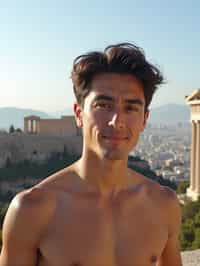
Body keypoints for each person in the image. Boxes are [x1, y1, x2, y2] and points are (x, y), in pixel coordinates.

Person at [0, 43, 182, 266]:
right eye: (103, 105)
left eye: (131, 108)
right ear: (79, 114)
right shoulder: (32, 210)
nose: (117, 121)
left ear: (144, 119)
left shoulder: (164, 205)